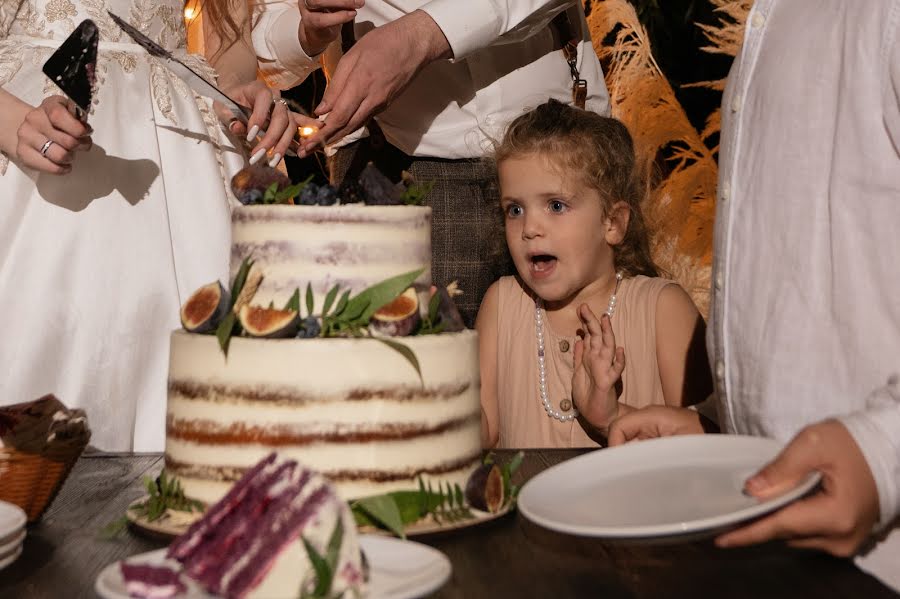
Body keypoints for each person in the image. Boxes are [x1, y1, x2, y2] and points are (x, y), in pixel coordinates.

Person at [607, 0, 900, 591]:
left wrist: (882, 449)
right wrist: (723, 426)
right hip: (785, 536)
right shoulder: (776, 21)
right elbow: (807, 273)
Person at [0, 0, 299, 451]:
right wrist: (14, 124)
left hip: (186, 153)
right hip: (32, 123)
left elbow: (226, 44)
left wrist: (234, 94)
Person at [249, 0, 611, 325]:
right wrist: (305, 31)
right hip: (401, 170)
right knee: (420, 386)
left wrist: (422, 34)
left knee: (592, 375)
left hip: (563, 153)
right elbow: (265, 25)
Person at [477, 100, 712, 449]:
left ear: (612, 223)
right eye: (515, 209)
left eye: (556, 205)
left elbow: (708, 443)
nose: (529, 228)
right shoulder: (502, 304)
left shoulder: (663, 309)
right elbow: (481, 432)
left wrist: (613, 415)